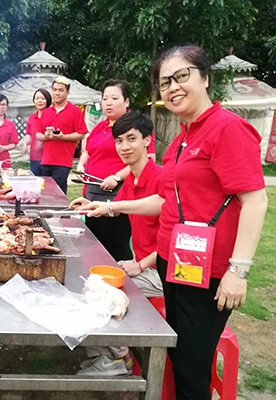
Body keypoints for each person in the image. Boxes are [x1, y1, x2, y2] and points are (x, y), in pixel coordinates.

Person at [74, 46, 268, 400]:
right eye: (165, 82)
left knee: (192, 369)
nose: (173, 87)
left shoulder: (227, 129)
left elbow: (255, 200)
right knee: (179, 359)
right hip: (175, 264)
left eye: (182, 76)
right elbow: (163, 201)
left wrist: (238, 271)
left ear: (205, 77)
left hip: (210, 272)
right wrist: (109, 207)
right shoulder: (181, 139)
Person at [74, 111, 163, 376]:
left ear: (147, 140)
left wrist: (140, 265)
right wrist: (92, 204)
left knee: (98, 294)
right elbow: (118, 209)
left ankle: (115, 358)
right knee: (86, 280)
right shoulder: (133, 178)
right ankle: (110, 354)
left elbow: (173, 237)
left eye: (131, 139)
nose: (124, 147)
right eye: (119, 141)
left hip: (161, 270)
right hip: (143, 264)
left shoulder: (160, 178)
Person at [77, 79, 155, 261]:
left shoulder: (135, 127)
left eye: (114, 98)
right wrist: (81, 165)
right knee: (93, 242)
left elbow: (148, 158)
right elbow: (88, 150)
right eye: (105, 99)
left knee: (115, 244)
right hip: (92, 191)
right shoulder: (100, 126)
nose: (108, 103)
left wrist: (117, 177)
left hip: (118, 193)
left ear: (126, 101)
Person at [37, 76, 88, 194]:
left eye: (61, 90)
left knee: (58, 194)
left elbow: (81, 134)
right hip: (45, 160)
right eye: (54, 89)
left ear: (67, 92)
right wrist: (46, 136)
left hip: (62, 161)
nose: (57, 93)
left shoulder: (75, 111)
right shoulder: (46, 112)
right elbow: (38, 135)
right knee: (45, 194)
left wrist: (63, 137)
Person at [20, 88, 53, 176]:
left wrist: (42, 140)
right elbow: (29, 135)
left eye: (43, 98)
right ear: (34, 101)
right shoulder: (32, 118)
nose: (40, 101)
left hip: (49, 158)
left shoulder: (52, 116)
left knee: (48, 182)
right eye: (37, 98)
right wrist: (25, 143)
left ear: (48, 100)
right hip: (34, 157)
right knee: (35, 181)